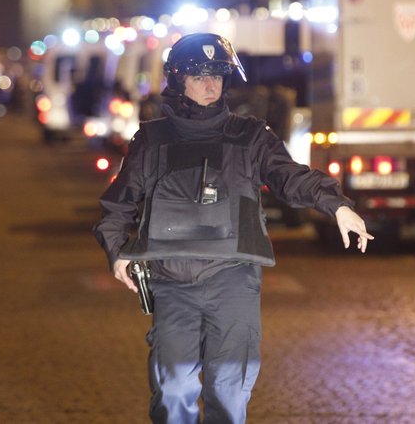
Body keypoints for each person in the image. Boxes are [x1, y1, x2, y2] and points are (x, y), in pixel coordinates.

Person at [93, 32, 372, 424]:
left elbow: (289, 177)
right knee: (173, 391)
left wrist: (336, 204)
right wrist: (117, 250)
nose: (211, 85)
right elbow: (117, 203)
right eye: (199, 76)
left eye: (218, 76)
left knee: (228, 392)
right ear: (178, 81)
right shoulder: (153, 140)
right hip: (172, 282)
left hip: (233, 279)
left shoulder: (251, 136)